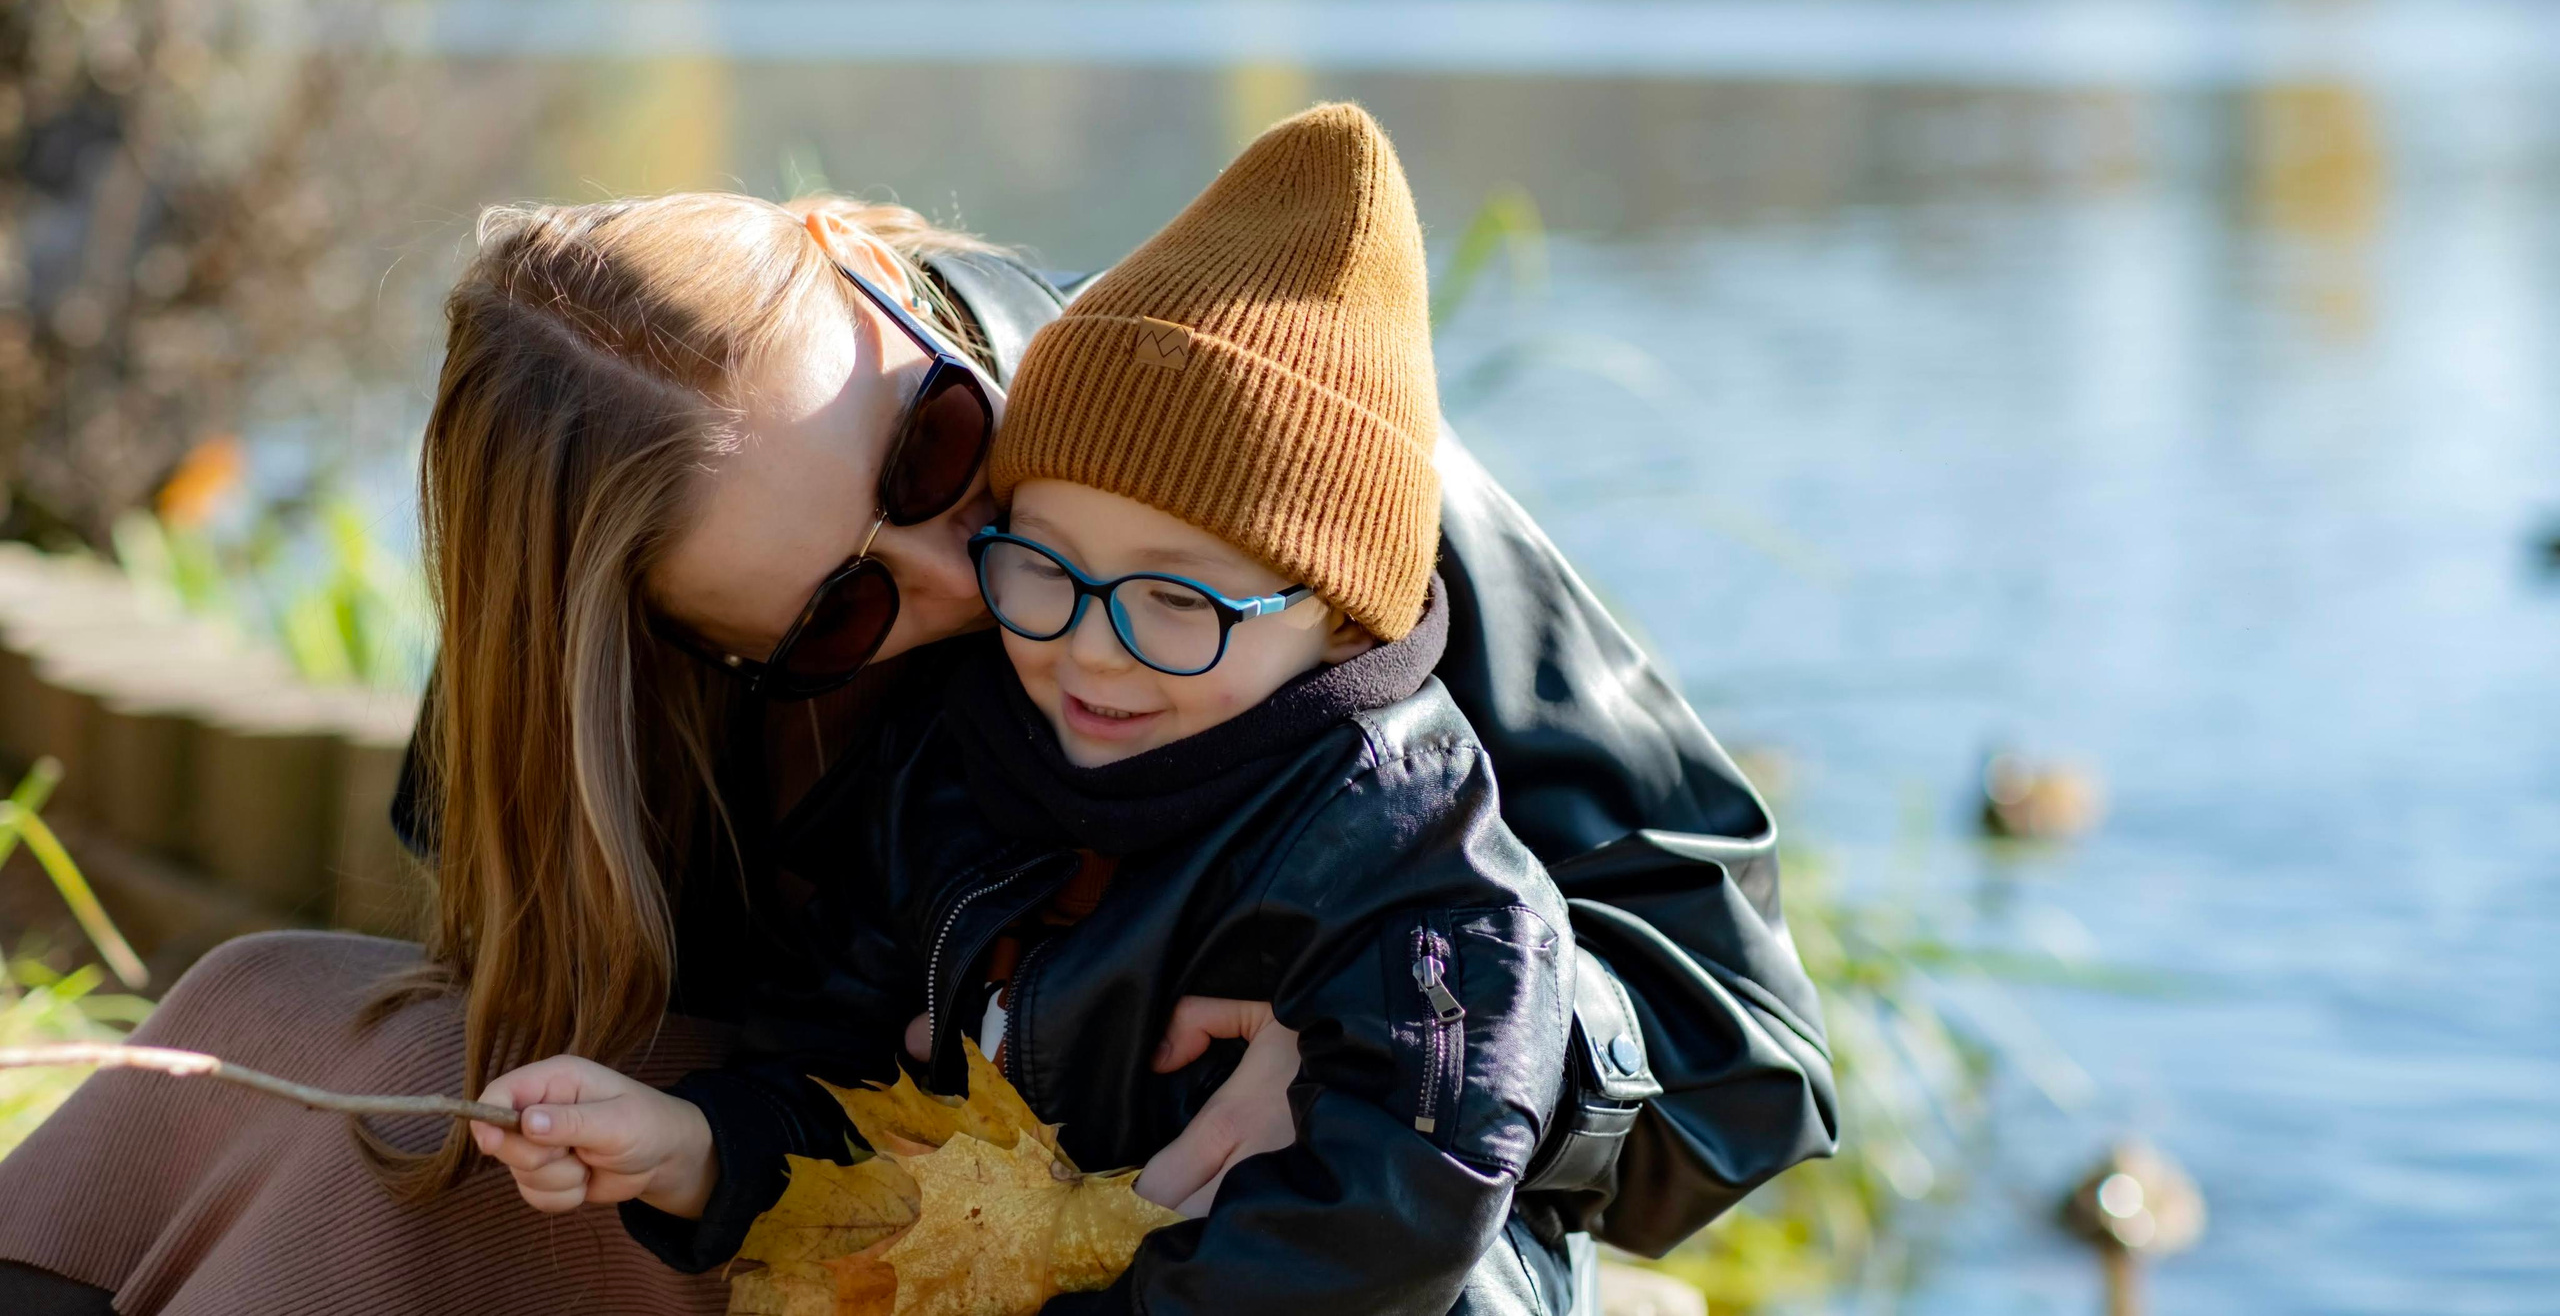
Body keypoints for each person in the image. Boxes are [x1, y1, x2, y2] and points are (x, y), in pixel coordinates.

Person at [0, 126, 1833, 1313]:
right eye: (843, 612)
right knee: (278, 1029)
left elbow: (1752, 1053)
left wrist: (1386, 1046)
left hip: (1310, 1222)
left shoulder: (1269, 451)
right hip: (844, 1197)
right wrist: (695, 1133)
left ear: (878, 261)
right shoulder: (616, 666)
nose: (972, 580)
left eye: (938, 450)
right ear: (671, 647)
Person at [478, 105, 1591, 1316]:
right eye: (1044, 567)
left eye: (1175, 600)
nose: (1089, 649)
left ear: (1338, 615)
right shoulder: (953, 766)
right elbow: (835, 1065)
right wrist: (696, 1150)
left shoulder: (1400, 844)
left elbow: (1401, 1206)